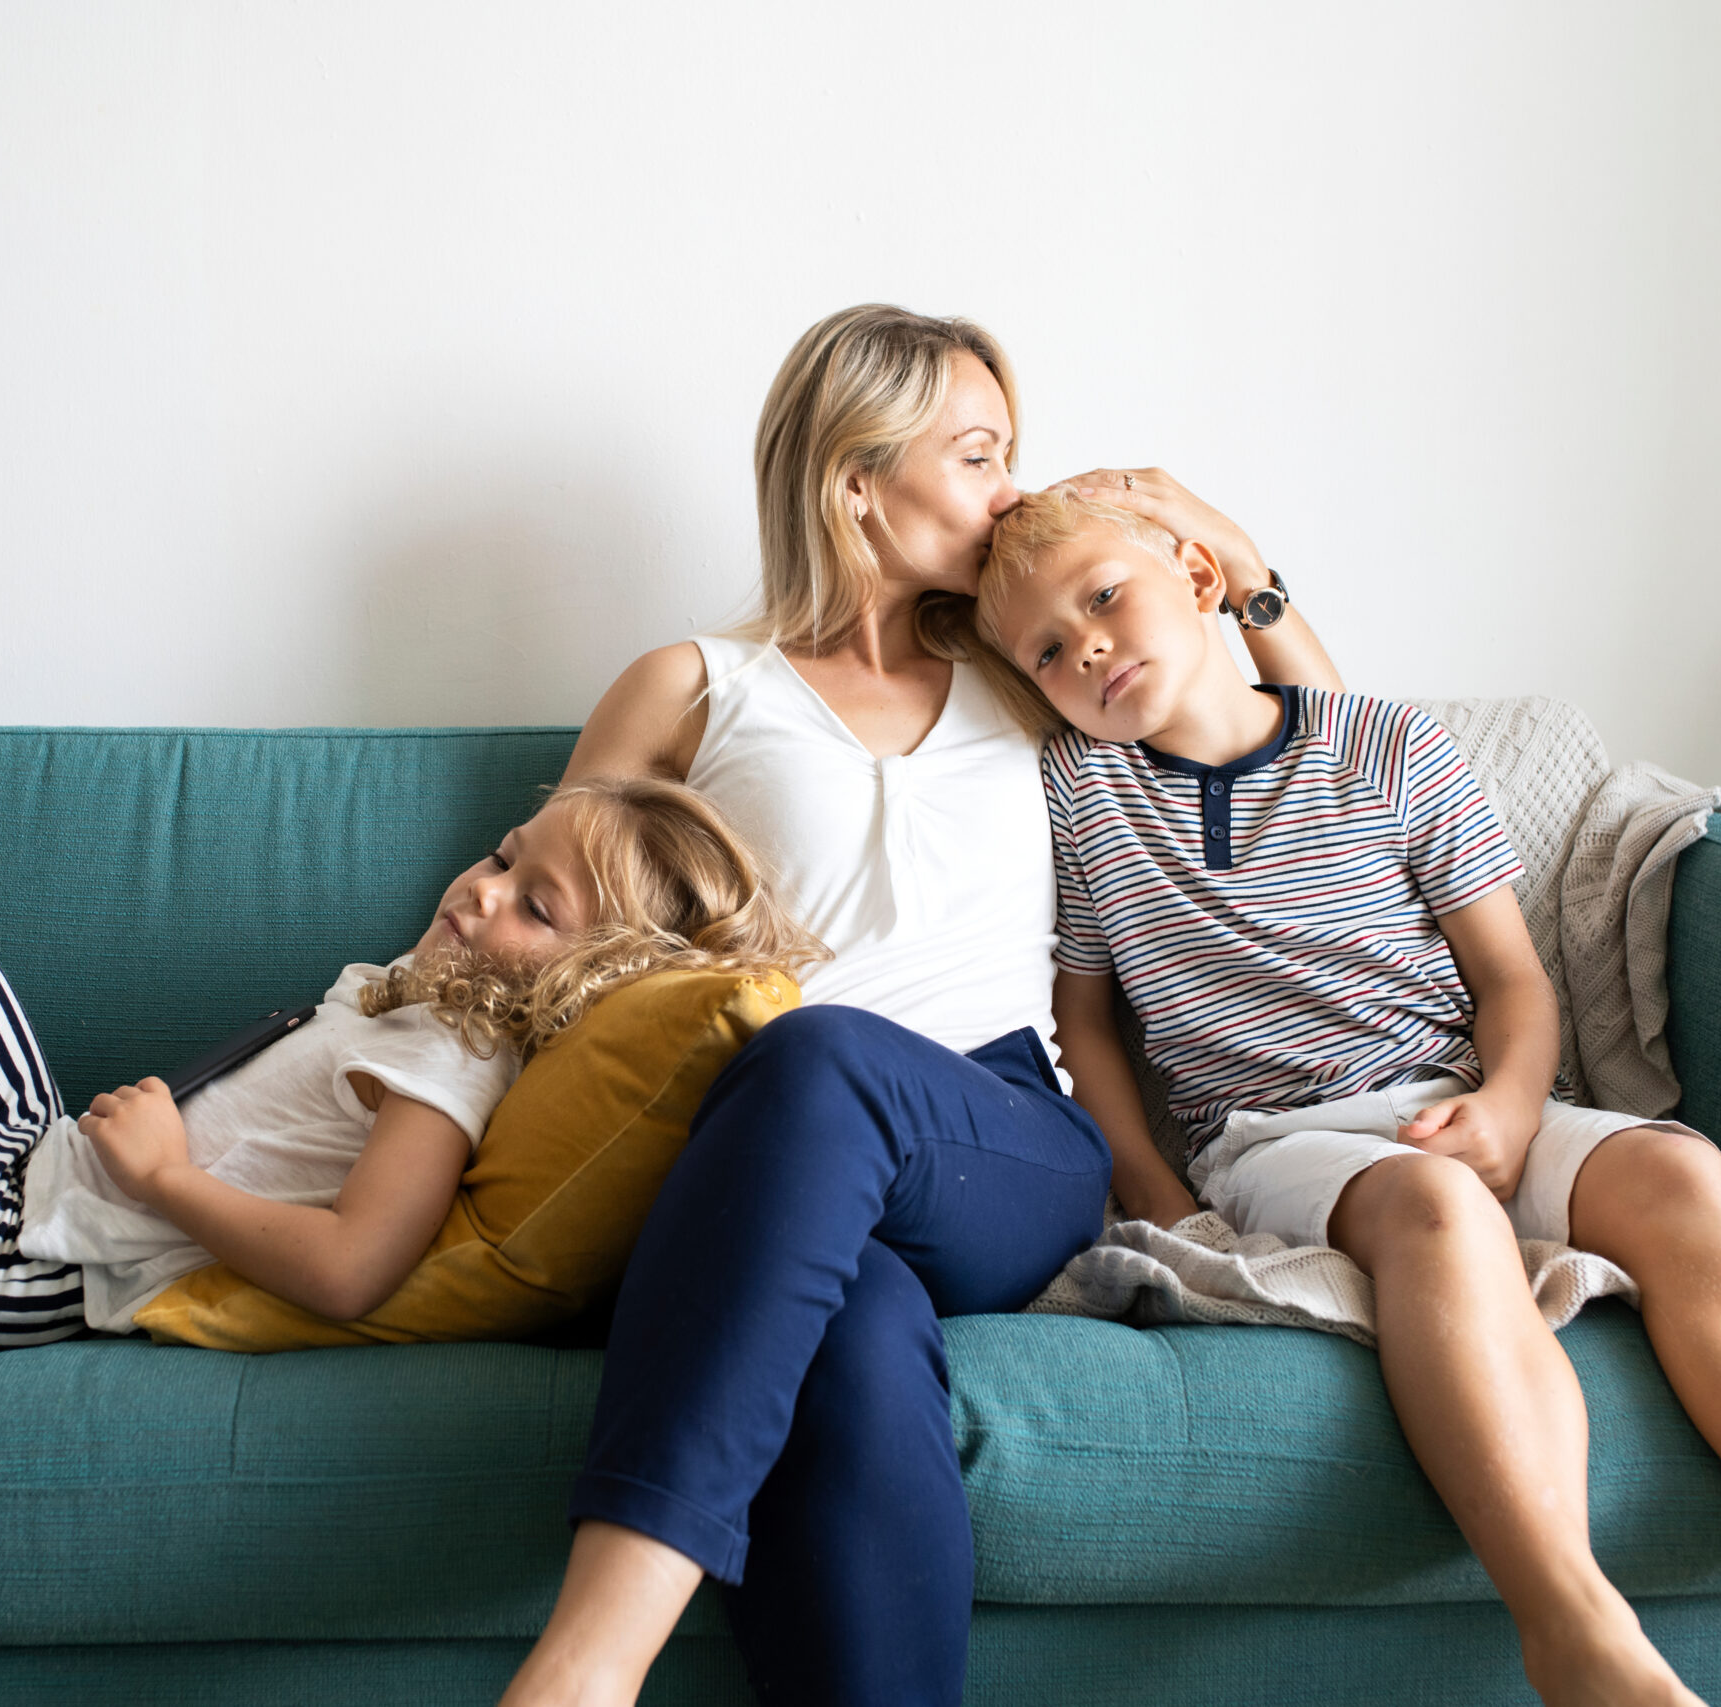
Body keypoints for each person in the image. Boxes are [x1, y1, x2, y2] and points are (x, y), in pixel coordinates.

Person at [971, 486, 1721, 1707]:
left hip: (1466, 1088)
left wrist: (1510, 1104)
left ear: (1198, 581)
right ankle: (1573, 1631)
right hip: (1281, 1139)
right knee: (1437, 1211)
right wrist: (1156, 1197)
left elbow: (1511, 978)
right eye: (1044, 648)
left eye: (1102, 596)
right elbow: (1083, 1026)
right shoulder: (1086, 796)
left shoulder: (1388, 744)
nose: (1082, 644)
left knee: (1679, 1171)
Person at [502, 305, 1344, 1707]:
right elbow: (526, 927)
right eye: (975, 453)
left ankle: (589, 1661)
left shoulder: (1040, 672)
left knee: (824, 1049)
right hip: (766, 1152)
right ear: (855, 482)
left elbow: (1306, 764)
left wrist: (1238, 563)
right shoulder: (695, 687)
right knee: (842, 1342)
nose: (1011, 488)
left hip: (1001, 1136)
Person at [0, 777, 819, 1358]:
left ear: (591, 981)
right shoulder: (423, 992)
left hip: (7, 1264)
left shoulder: (456, 1054)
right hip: (32, 1166)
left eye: (534, 908)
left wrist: (164, 1180)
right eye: (501, 857)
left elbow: (353, 1268)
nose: (483, 894)